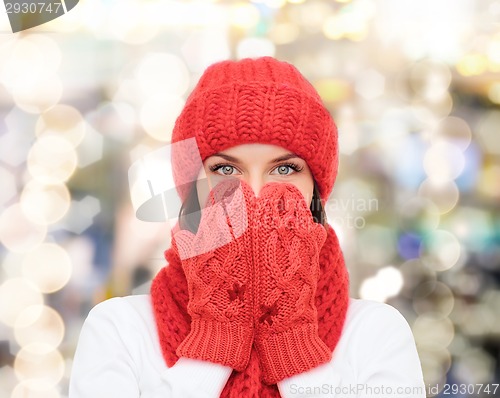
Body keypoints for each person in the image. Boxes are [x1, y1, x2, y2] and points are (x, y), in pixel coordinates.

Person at [69, 57, 426, 398]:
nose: (254, 193)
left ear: (316, 190)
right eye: (225, 170)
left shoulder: (376, 333)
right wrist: (215, 339)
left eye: (284, 169)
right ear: (190, 187)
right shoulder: (120, 329)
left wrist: (292, 341)